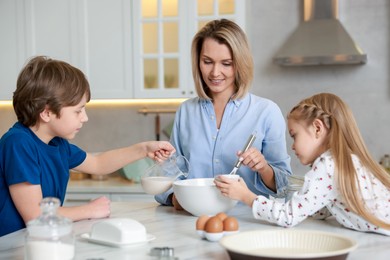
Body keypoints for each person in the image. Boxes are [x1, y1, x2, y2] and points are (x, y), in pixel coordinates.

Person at [0, 56, 175, 237]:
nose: (84, 117)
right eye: (78, 110)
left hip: (34, 241)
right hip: (9, 247)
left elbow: (98, 163)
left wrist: (144, 149)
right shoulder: (18, 143)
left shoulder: (57, 144)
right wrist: (89, 210)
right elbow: (36, 215)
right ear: (47, 112)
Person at [155, 19, 292, 206]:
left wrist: (264, 168)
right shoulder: (186, 111)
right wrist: (174, 199)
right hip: (192, 221)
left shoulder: (266, 112)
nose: (215, 72)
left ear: (240, 64)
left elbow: (284, 187)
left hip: (248, 225)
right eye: (207, 62)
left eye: (226, 63)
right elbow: (169, 175)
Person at [215, 93, 390, 236]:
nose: (292, 145)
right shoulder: (344, 161)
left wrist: (246, 196)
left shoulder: (328, 165)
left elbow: (288, 216)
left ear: (317, 128)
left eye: (294, 135)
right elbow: (326, 205)